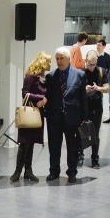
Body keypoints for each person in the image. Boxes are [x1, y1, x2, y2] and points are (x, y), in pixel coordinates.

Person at [45, 47, 87, 184]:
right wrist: (47, 114)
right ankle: (54, 171)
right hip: (54, 118)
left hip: (72, 118)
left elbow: (83, 98)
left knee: (72, 147)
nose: (59, 61)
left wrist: (84, 117)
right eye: (57, 59)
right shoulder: (51, 76)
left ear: (69, 59)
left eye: (61, 58)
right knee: (54, 146)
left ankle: (72, 172)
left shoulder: (80, 75)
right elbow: (48, 97)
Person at [11, 52, 49, 183]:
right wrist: (41, 97)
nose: (50, 64)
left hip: (38, 112)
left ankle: (28, 171)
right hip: (29, 112)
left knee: (31, 143)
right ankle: (17, 172)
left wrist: (44, 100)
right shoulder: (30, 76)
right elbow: (25, 93)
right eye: (48, 61)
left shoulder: (43, 77)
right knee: (24, 142)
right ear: (42, 62)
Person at [80, 50, 108, 169]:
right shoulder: (81, 72)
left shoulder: (101, 71)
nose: (92, 67)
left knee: (95, 133)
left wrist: (98, 88)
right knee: (82, 132)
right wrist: (85, 89)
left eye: (94, 64)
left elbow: (107, 88)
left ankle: (95, 159)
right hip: (84, 107)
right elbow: (75, 89)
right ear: (85, 61)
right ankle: (80, 156)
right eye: (89, 64)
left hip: (97, 107)